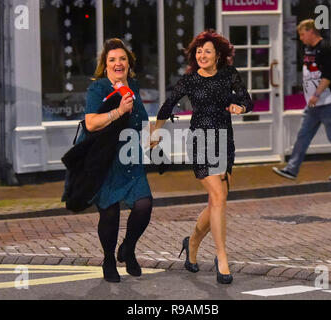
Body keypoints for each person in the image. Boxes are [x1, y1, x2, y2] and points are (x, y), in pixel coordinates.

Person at [151, 30, 253, 284]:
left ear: (218, 55)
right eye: (198, 51)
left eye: (207, 51)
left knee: (216, 201)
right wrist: (155, 133)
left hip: (224, 143)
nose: (202, 55)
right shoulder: (190, 80)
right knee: (218, 197)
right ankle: (222, 258)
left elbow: (247, 101)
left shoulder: (229, 75)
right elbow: (167, 105)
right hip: (199, 142)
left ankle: (192, 242)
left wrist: (239, 107)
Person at [83, 38, 153, 283]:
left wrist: (152, 135)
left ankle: (129, 248)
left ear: (129, 63)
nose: (118, 63)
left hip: (131, 158)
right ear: (105, 65)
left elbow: (141, 119)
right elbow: (91, 122)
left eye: (122, 58)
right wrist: (118, 112)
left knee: (144, 206)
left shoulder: (132, 85)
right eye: (112, 59)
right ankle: (108, 259)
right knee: (110, 215)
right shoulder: (98, 89)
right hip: (105, 160)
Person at [273, 19, 331, 181]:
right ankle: (292, 169)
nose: (301, 38)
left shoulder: (325, 49)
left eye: (302, 34)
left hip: (327, 103)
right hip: (313, 105)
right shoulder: (308, 49)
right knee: (303, 136)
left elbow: (328, 75)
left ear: (311, 31)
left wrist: (316, 94)